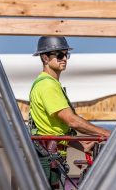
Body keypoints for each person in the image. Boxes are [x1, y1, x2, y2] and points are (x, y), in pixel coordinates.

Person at [29, 36, 111, 189]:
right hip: (49, 161)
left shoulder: (48, 83)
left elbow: (55, 129)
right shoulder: (47, 85)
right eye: (59, 55)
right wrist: (106, 133)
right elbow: (71, 121)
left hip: (51, 159)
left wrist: (81, 146)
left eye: (66, 54)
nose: (65, 58)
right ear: (45, 58)